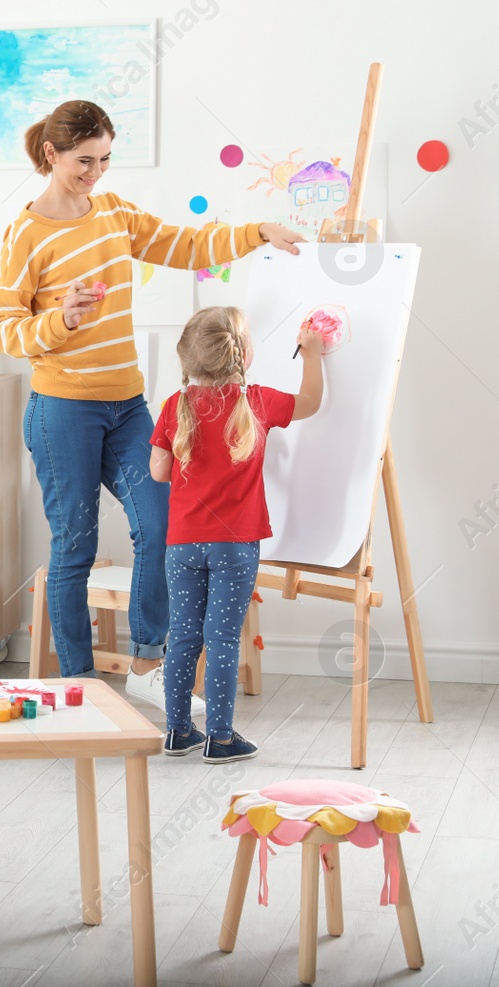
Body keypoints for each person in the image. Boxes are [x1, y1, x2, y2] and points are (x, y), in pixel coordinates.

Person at [0, 98, 305, 714]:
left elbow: (184, 244)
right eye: (85, 161)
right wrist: (60, 318)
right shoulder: (26, 233)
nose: (96, 173)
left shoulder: (113, 212)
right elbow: (6, 329)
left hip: (127, 404)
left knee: (161, 524)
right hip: (63, 409)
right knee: (74, 544)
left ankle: (147, 663)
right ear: (51, 155)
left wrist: (257, 233)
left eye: (105, 159)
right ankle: (75, 684)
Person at [151, 307, 324, 761]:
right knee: (223, 638)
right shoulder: (259, 402)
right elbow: (311, 402)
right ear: (243, 354)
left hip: (182, 545)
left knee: (184, 636)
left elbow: (157, 470)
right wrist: (311, 354)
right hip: (235, 545)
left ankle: (177, 732)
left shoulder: (175, 405)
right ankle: (221, 738)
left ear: (187, 356)